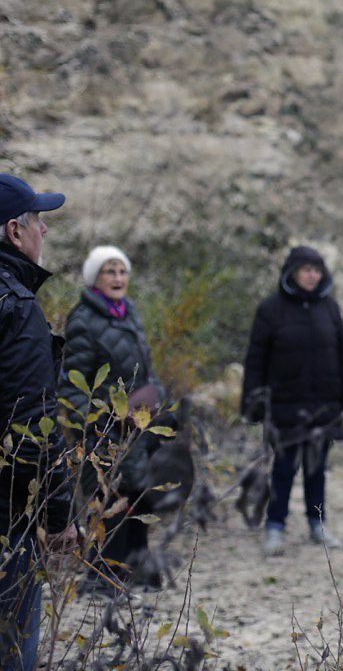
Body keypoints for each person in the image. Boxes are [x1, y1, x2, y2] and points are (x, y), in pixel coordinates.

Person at [0, 174, 79, 670]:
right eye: (38, 221)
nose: (43, 232)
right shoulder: (16, 307)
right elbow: (32, 427)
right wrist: (58, 515)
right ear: (13, 231)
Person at [58, 245, 167, 594]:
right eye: (110, 271)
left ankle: (138, 573)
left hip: (140, 428)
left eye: (122, 271)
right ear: (95, 278)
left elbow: (146, 368)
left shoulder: (129, 312)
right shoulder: (83, 320)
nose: (118, 278)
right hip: (105, 432)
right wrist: (107, 417)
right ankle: (101, 581)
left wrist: (158, 399)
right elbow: (72, 387)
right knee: (108, 504)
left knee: (141, 498)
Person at [242, 246, 343, 557]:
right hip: (284, 404)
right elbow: (255, 360)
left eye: (317, 270)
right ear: (291, 272)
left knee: (316, 468)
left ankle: (317, 523)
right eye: (306, 269)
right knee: (283, 467)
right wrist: (252, 403)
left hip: (324, 405)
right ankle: (275, 526)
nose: (312, 275)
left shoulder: (329, 307)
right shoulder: (271, 309)